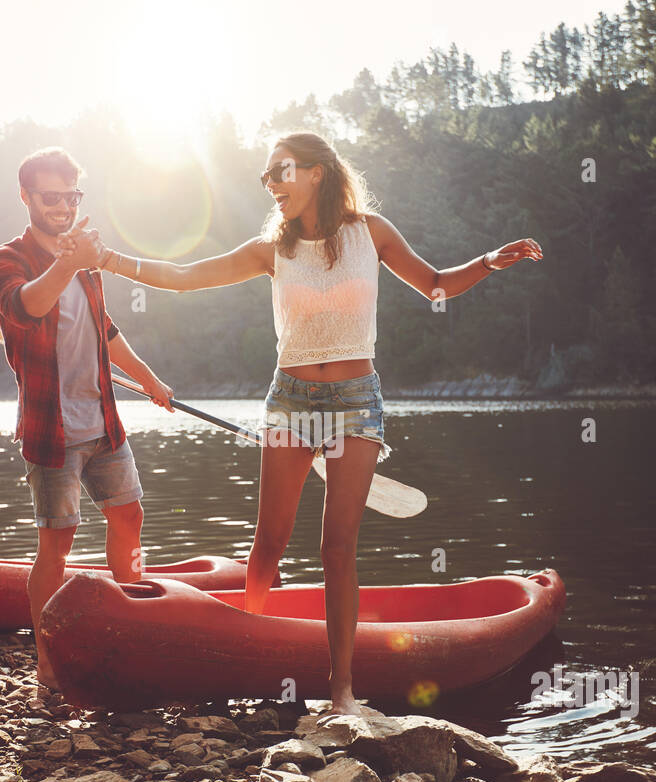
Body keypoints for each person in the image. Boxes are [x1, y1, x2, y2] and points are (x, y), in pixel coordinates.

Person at [83, 131, 542, 715]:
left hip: (356, 401)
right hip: (291, 400)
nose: (271, 185)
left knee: (337, 548)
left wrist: (488, 262)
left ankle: (342, 690)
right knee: (269, 544)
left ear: (319, 172)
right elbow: (185, 276)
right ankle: (246, 653)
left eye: (281, 171)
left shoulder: (370, 232)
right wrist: (109, 260)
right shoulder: (270, 248)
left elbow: (435, 285)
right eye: (265, 177)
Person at [0, 146, 175, 688]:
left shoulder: (83, 262)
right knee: (57, 543)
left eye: (72, 197)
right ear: (25, 197)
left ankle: (132, 628)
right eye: (51, 197)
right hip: (53, 431)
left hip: (103, 420)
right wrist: (69, 259)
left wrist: (149, 379)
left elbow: (105, 328)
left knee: (130, 517)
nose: (63, 207)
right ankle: (48, 660)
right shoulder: (6, 260)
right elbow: (27, 307)